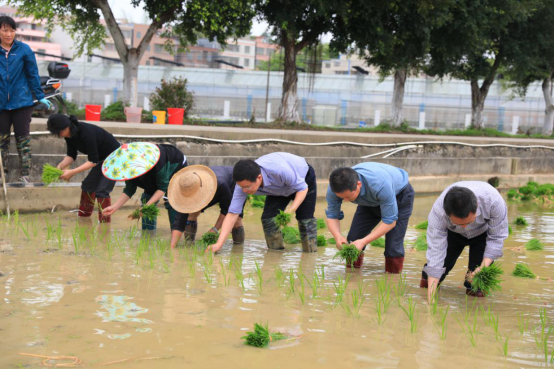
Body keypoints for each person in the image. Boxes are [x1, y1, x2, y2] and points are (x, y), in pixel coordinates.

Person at [207, 152, 317, 254]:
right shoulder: (242, 186)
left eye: (247, 187)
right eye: (241, 187)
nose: (244, 191)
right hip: (278, 189)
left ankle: (310, 253)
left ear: (259, 178)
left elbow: (302, 188)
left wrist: (291, 211)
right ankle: (275, 255)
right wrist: (219, 244)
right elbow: (232, 214)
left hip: (302, 179)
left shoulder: (280, 170)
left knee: (305, 220)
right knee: (269, 219)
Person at [419, 181, 508, 301]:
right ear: (447, 213)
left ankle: (473, 307)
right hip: (452, 233)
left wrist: (483, 268)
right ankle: (426, 284)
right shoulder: (438, 213)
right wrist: (430, 300)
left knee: (476, 286)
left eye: (469, 222)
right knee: (438, 270)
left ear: (476, 205)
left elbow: (496, 237)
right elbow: (436, 252)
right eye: (459, 223)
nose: (465, 227)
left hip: (482, 233)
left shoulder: (494, 202)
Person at [325, 163, 414, 273]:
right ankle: (352, 277)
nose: (346, 200)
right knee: (353, 239)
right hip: (368, 201)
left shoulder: (380, 184)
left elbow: (390, 222)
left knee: (393, 247)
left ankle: (392, 280)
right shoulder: (335, 188)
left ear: (358, 184)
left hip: (399, 196)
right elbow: (332, 216)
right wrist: (337, 236)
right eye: (341, 198)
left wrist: (363, 241)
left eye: (348, 196)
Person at [0, 16, 52, 182]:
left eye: (12, 30)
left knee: (23, 140)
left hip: (21, 102)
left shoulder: (24, 50)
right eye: (5, 30)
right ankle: (3, 173)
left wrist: (39, 96)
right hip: (1, 104)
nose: (9, 34)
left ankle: (25, 175)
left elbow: (32, 74)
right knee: (2, 141)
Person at [46, 114, 120, 222]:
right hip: (102, 159)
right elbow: (71, 155)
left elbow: (93, 161)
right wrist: (59, 167)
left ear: (67, 126)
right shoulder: (69, 135)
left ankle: (105, 223)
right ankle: (84, 219)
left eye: (60, 132)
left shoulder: (86, 133)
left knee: (102, 191)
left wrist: (72, 172)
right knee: (87, 185)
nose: (60, 135)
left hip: (116, 157)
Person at [101, 142, 186, 229]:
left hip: (175, 164)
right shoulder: (128, 169)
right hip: (153, 173)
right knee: (147, 199)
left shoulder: (158, 165)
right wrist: (114, 207)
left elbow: (162, 188)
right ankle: (148, 234)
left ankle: (176, 235)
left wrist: (145, 207)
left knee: (171, 201)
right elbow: (129, 190)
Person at [167, 165, 245, 248]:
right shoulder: (187, 188)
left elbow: (227, 211)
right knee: (191, 213)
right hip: (209, 185)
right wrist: (172, 247)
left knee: (236, 220)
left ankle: (238, 249)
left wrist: (215, 229)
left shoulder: (221, 185)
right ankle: (189, 244)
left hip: (231, 183)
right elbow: (179, 222)